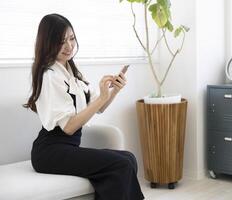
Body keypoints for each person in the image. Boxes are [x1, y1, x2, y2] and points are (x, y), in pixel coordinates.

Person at [24, 13, 144, 200]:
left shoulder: (72, 71)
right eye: (61, 41)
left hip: (66, 149)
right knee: (121, 165)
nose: (69, 46)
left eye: (71, 39)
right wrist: (101, 97)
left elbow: (99, 108)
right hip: (49, 152)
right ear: (47, 42)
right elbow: (69, 127)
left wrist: (114, 91)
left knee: (129, 158)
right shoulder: (50, 75)